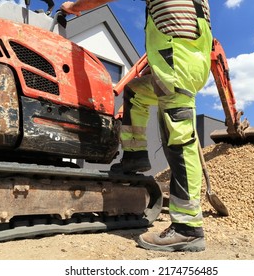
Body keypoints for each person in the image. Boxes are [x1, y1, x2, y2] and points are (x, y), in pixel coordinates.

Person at [61, 0, 212, 252]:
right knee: (135, 92)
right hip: (183, 59)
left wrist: (75, 7)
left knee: (179, 142)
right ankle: (135, 156)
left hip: (176, 60)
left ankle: (188, 229)